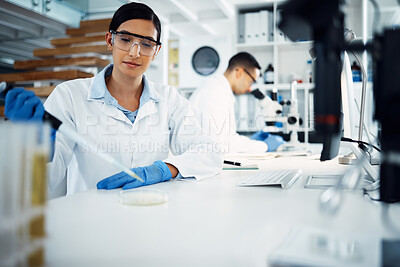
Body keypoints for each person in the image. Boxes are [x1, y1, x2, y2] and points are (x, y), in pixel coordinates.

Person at [4, 2, 223, 195]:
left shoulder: (169, 99)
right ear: (110, 40)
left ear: (156, 52)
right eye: (126, 39)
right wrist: (35, 142)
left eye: (146, 44)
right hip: (91, 222)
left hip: (151, 214)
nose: (134, 52)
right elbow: (42, 183)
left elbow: (209, 154)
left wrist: (164, 169)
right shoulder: (69, 96)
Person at [189, 52, 285, 154]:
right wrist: (264, 146)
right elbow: (222, 143)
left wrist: (251, 142)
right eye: (251, 81)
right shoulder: (215, 91)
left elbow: (226, 137)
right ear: (239, 73)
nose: (250, 88)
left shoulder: (220, 89)